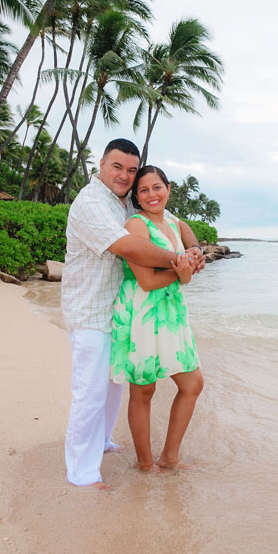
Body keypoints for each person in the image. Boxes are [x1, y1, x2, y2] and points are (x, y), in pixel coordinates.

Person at [61, 139, 204, 489]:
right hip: (90, 308)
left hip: (118, 309)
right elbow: (127, 247)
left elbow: (175, 223)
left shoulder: (124, 202)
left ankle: (104, 440)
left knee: (111, 387)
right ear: (101, 164)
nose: (124, 175)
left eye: (130, 169)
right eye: (117, 167)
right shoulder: (91, 203)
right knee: (90, 391)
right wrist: (180, 261)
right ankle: (81, 472)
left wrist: (196, 248)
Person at [110, 165, 204, 472]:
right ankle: (146, 464)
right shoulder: (135, 225)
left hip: (172, 313)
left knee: (192, 383)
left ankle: (170, 458)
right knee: (144, 389)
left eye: (157, 187)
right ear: (136, 196)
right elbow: (148, 282)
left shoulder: (172, 222)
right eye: (144, 190)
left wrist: (195, 252)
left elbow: (185, 236)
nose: (152, 194)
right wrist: (183, 271)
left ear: (168, 189)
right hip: (143, 312)